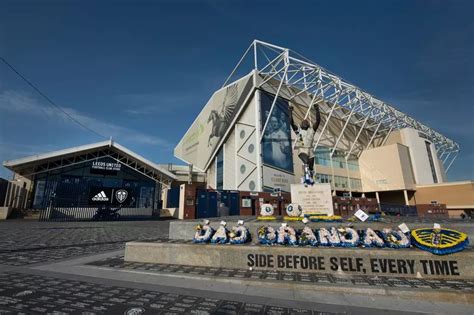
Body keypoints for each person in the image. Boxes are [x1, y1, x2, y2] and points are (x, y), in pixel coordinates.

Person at [289, 104, 321, 180]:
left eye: (306, 122)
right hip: (302, 150)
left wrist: (317, 109)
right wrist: (290, 111)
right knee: (306, 161)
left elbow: (318, 121)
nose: (305, 122)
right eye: (303, 122)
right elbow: (291, 122)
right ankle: (307, 173)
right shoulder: (299, 131)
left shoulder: (312, 130)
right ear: (301, 124)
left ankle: (310, 178)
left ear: (309, 124)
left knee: (311, 167)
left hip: (310, 150)